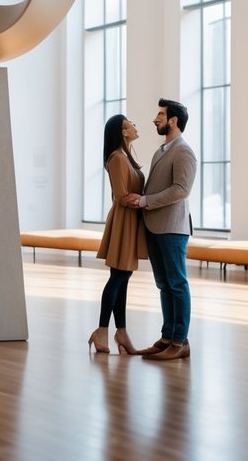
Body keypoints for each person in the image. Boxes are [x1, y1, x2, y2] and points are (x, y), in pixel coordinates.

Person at [122, 98, 197, 361]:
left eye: (161, 115)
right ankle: (167, 337)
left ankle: (180, 341)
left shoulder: (183, 151)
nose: (155, 119)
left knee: (177, 284)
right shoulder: (161, 151)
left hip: (173, 229)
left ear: (173, 121)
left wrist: (143, 201)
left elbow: (181, 190)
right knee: (164, 285)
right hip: (154, 226)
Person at [88, 114, 148, 355]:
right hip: (124, 220)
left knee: (123, 276)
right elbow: (122, 196)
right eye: (131, 123)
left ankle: (120, 332)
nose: (135, 125)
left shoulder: (127, 157)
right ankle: (102, 329)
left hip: (131, 220)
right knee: (118, 277)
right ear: (123, 131)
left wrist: (141, 200)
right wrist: (144, 201)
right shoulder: (117, 158)